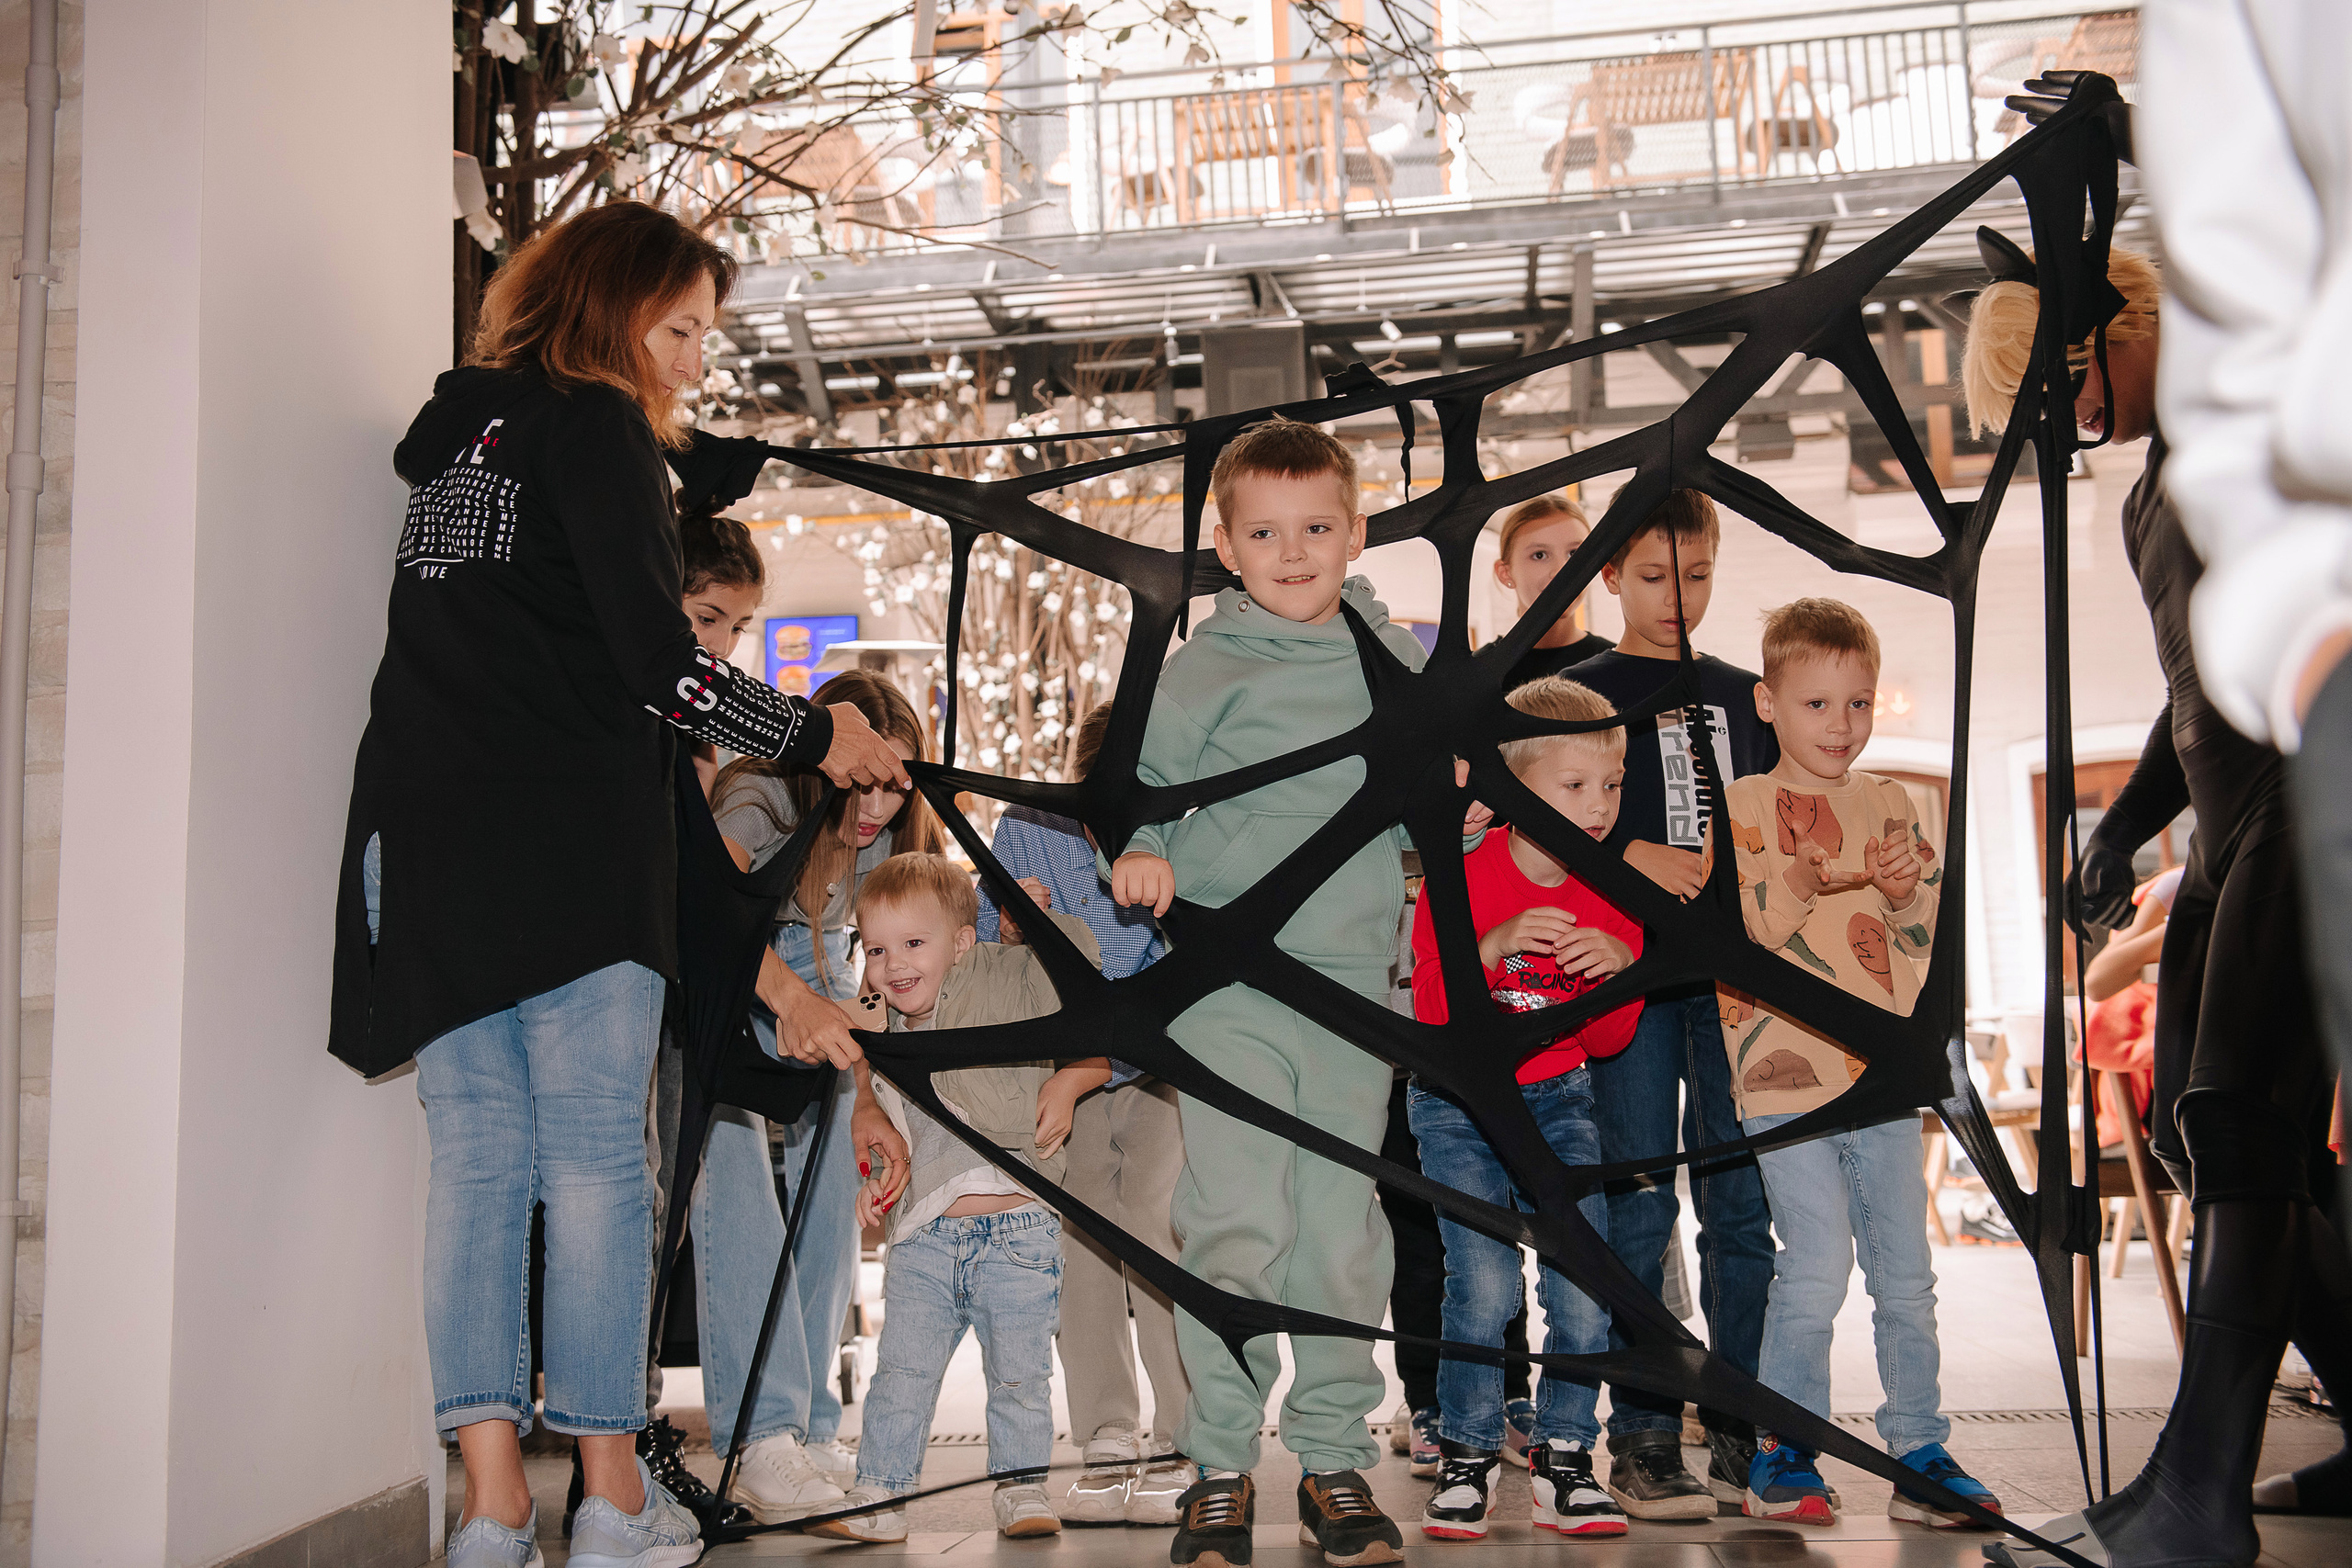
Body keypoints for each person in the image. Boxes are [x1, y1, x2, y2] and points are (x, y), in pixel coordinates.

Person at [328, 200, 909, 1568]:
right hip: (571, 842)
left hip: (431, 837)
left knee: (478, 1166)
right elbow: (661, 666)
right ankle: (610, 1499)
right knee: (596, 1163)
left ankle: (490, 1509)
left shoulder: (459, 443)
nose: (696, 361)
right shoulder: (595, 427)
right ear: (616, 308)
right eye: (683, 329)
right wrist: (813, 733)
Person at [1963, 226, 2352, 1562]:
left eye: (2055, 387)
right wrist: (2125, 826)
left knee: (2243, 1117)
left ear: (2113, 330)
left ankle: (2200, 1492)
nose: (2054, 424)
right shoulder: (2148, 494)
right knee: (2201, 1122)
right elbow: (2195, 687)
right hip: (2237, 815)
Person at [1108, 417, 1435, 1568]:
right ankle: (1220, 1466)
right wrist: (1143, 845)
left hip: (1351, 979)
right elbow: (1139, 779)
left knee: (1340, 1232)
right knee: (1237, 1221)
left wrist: (1450, 804)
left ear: (1356, 534)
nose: (1291, 553)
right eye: (1264, 533)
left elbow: (1424, 791)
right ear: (1226, 548)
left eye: (1315, 528)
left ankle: (1334, 1458)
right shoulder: (1209, 663)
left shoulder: (1391, 655)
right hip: (1229, 974)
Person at [1718, 596, 1998, 1530]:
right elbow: (1745, 936)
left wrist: (1907, 894)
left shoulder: (1890, 802)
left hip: (1881, 1070)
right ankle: (1784, 1448)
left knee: (1905, 1273)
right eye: (1817, 704)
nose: (1840, 725)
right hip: (1782, 1074)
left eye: (1858, 703)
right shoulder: (1743, 805)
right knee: (1814, 1265)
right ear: (1767, 704)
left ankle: (1919, 1450)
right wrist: (1805, 877)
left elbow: (1920, 942)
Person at [668, 669, 940, 1525]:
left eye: (895, 787)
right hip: (722, 988)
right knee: (735, 1166)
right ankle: (763, 1433)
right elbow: (704, 915)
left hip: (815, 999)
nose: (876, 807)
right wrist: (789, 999)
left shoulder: (886, 842)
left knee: (836, 1179)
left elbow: (866, 982)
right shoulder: (763, 797)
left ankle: (812, 1429)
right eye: (864, 781)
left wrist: (865, 1095)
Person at [1561, 488, 1780, 1514]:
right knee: (1638, 1203)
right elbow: (1530, 825)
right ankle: (1643, 1435)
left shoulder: (1747, 696)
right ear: (1609, 576)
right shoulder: (1573, 695)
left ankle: (1742, 1427)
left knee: (1742, 1209)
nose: (1678, 599)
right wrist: (1625, 855)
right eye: (1654, 577)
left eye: (1697, 576)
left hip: (1734, 989)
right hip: (1628, 984)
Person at [560, 506, 770, 1534]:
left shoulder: (690, 726)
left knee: (661, 1206)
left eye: (736, 626)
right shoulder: (630, 703)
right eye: (705, 617)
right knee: (625, 1203)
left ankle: (629, 1439)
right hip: (621, 981)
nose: (720, 644)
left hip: (682, 989)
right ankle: (614, 1447)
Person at [811, 855, 1112, 1545]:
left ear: (962, 941)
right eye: (877, 949)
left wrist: (1035, 927)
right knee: (902, 1373)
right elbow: (892, 1134)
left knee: (1020, 1374)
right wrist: (876, 1181)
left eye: (914, 943)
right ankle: (880, 1492)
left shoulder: (1000, 978)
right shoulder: (884, 1034)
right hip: (924, 1235)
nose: (894, 964)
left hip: (1018, 1226)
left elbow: (1079, 972)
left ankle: (1022, 1488)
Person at [1407, 675, 1643, 1542]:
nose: (1599, 804)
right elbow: (1431, 1006)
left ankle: (1566, 1455)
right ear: (1512, 785)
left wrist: (1620, 968)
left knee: (1582, 1277)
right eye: (1574, 784)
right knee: (1484, 1282)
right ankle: (1467, 1452)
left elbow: (1610, 1038)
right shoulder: (1459, 873)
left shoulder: (1614, 892)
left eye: (1611, 784)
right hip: (1456, 1103)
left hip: (1560, 1095)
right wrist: (1489, 947)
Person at [973, 702, 1198, 1527]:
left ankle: (1185, 1434)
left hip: (1159, 1060)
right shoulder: (1028, 828)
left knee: (1159, 1221)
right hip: (1062, 1057)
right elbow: (981, 941)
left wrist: (1091, 1069)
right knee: (1082, 1233)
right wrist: (1007, 922)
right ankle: (1106, 1432)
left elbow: (1184, 978)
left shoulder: (1189, 833)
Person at [1494, 493, 1614, 683]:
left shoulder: (1619, 668)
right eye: (1540, 555)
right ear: (1505, 573)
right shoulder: (1478, 674)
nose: (1561, 571)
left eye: (1574, 553)